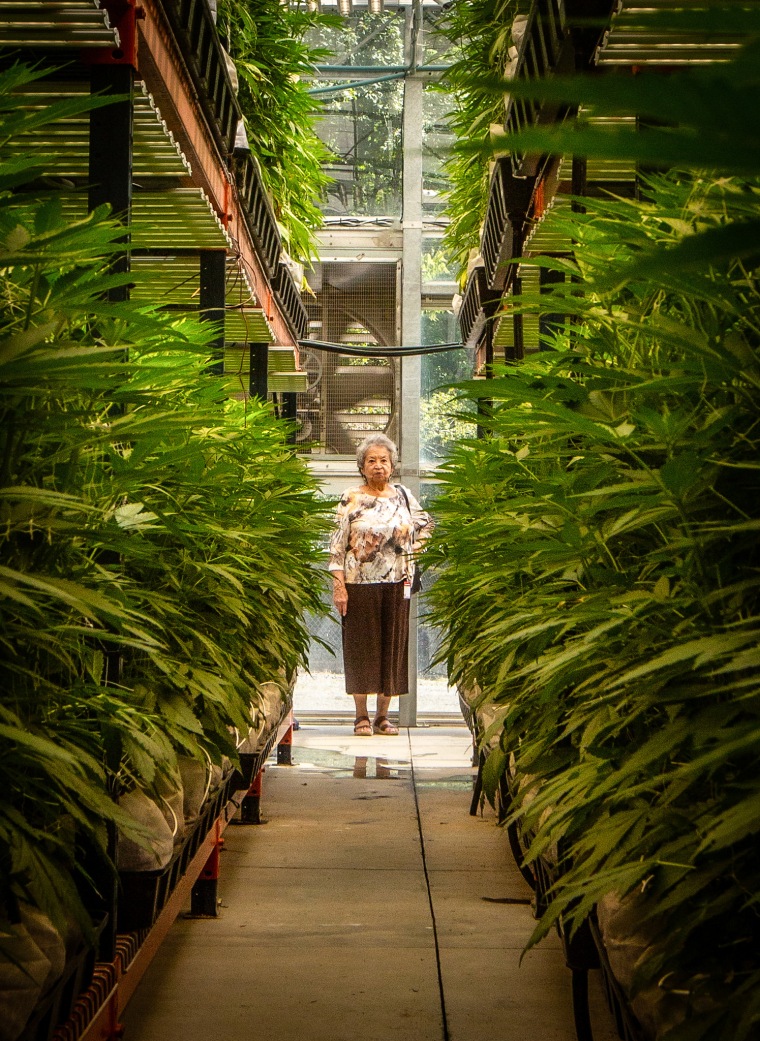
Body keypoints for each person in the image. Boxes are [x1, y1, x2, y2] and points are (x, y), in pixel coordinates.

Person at [328, 434, 434, 736]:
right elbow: (336, 546)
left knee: (392, 647)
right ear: (362, 466)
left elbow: (427, 524)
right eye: (371, 461)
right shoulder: (351, 498)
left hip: (397, 582)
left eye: (383, 461)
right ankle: (361, 715)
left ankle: (383, 717)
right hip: (359, 584)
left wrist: (415, 550)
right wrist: (339, 586)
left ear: (392, 465)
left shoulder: (403, 495)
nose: (378, 466)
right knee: (361, 647)